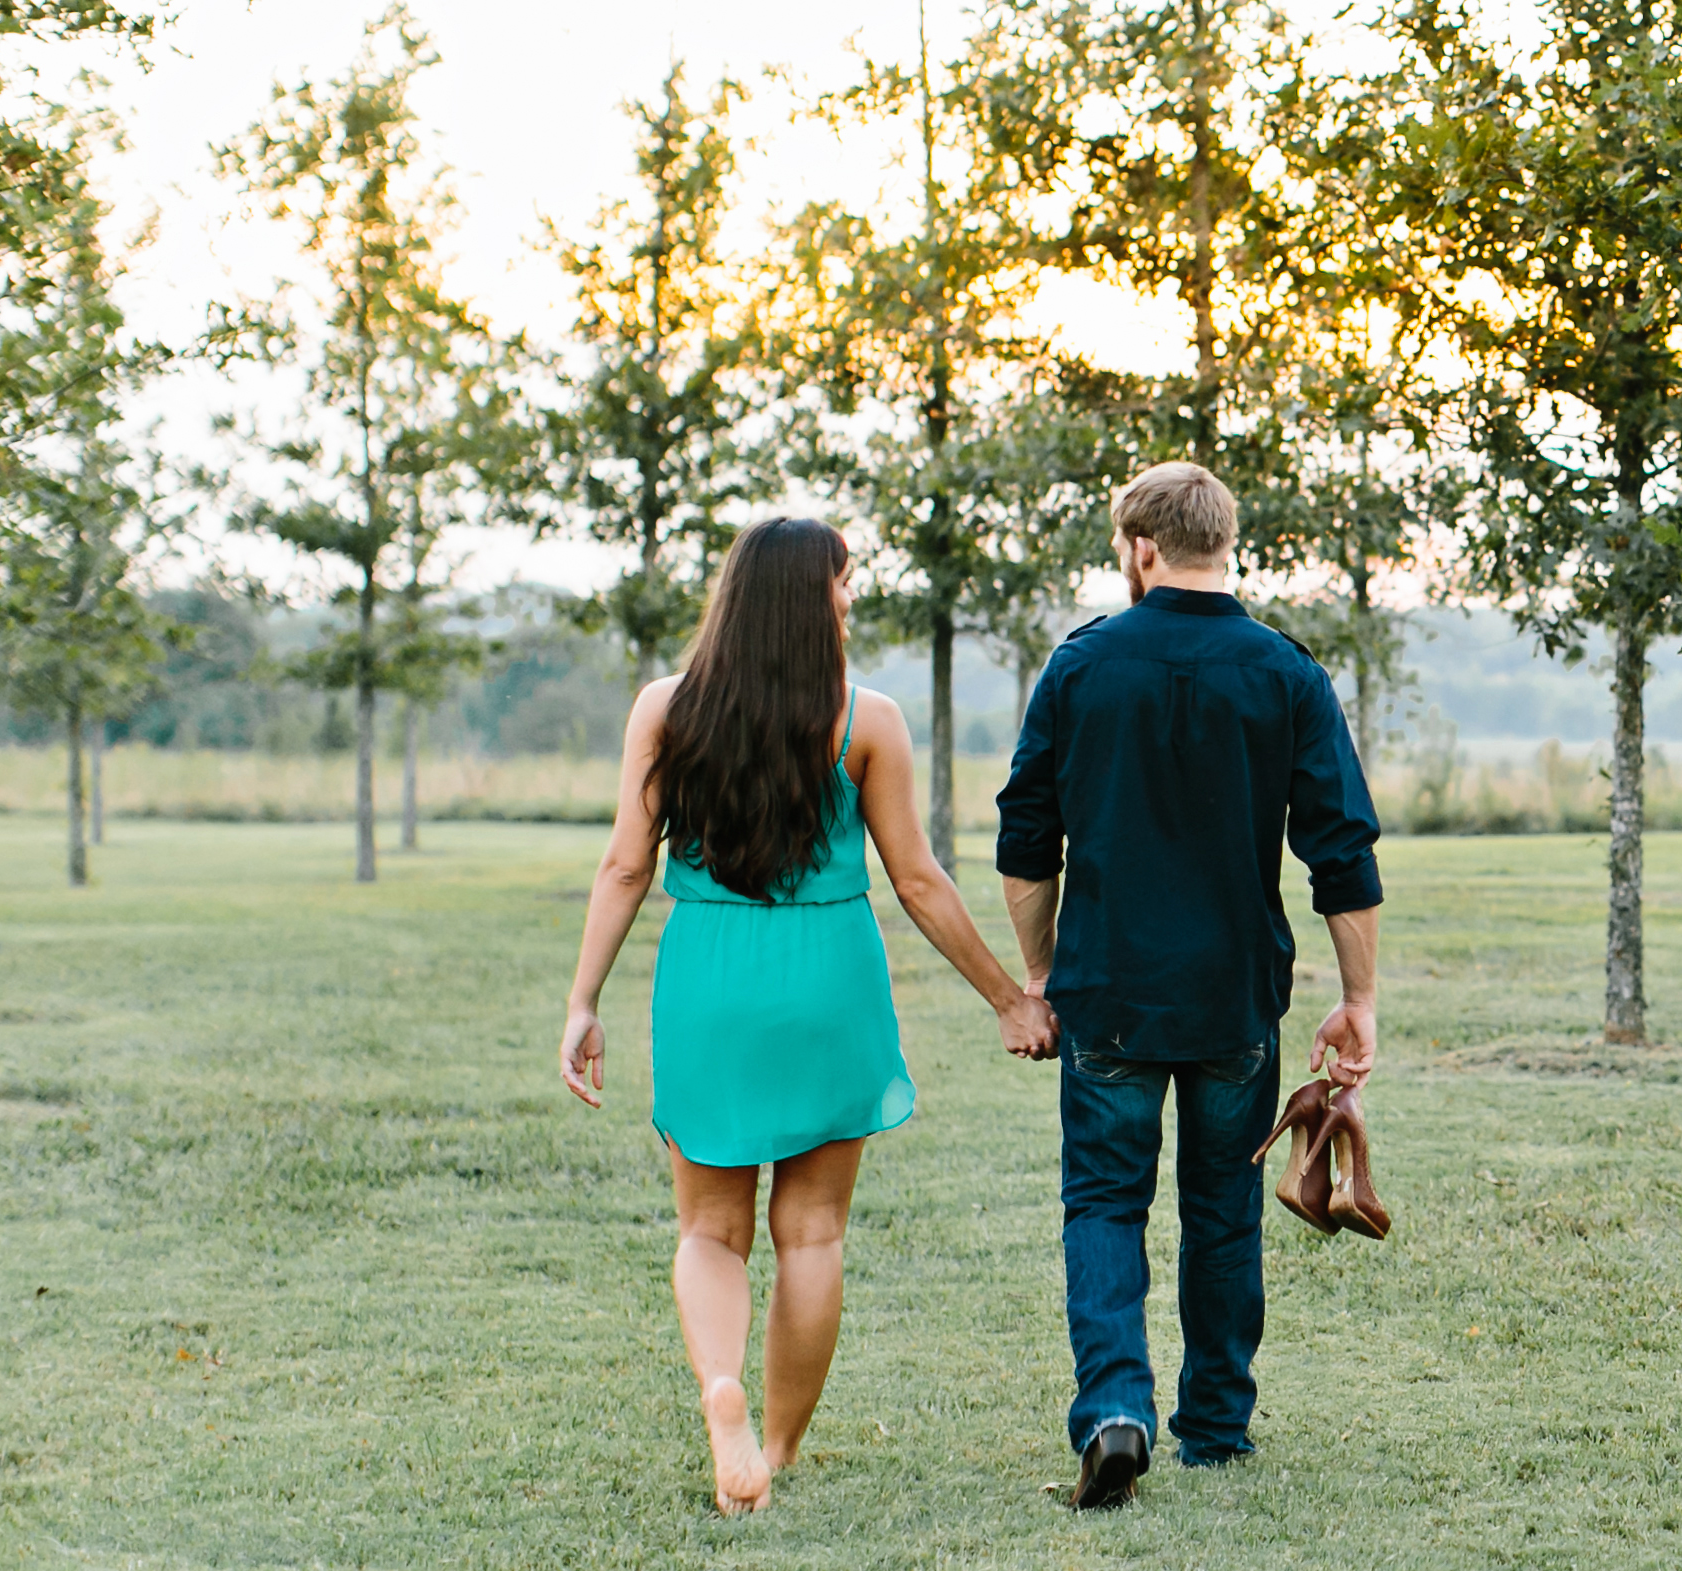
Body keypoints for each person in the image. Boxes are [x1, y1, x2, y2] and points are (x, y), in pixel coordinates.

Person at [560, 517, 1057, 1515]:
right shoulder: (864, 718)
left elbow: (624, 862)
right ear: (811, 595)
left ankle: (720, 1389)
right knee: (814, 1230)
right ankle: (774, 1450)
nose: (849, 596)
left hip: (709, 974)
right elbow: (916, 878)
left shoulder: (664, 709)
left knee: (708, 1229)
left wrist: (583, 1000)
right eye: (843, 580)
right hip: (828, 974)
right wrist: (1010, 996)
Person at [997, 461, 1384, 1511]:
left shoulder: (1080, 668)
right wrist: (1360, 999)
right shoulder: (1286, 675)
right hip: (1232, 997)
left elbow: (1026, 840)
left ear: (1140, 548)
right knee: (1221, 1210)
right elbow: (1340, 850)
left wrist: (1038, 972)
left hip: (1108, 992)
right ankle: (1215, 1425)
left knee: (1105, 1202)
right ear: (1227, 541)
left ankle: (1117, 1409)